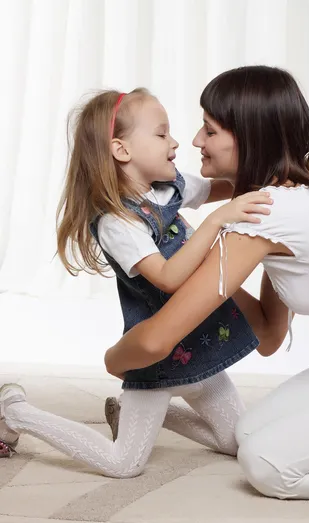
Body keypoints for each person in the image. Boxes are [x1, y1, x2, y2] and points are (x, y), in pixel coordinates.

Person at [102, 65, 309, 501]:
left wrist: (114, 361)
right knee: (249, 430)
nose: (195, 141)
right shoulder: (305, 176)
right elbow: (268, 335)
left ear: (250, 137)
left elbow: (153, 344)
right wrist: (204, 258)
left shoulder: (260, 220)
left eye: (210, 130)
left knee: (266, 463)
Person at [0, 87, 274, 471]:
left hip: (203, 341)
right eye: (162, 134)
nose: (176, 142)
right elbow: (168, 278)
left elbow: (226, 187)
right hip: (158, 359)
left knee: (236, 441)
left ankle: (122, 410)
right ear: (122, 150)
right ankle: (16, 412)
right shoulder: (117, 222)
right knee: (124, 464)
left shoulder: (170, 185)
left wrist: (280, 176)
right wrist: (216, 220)